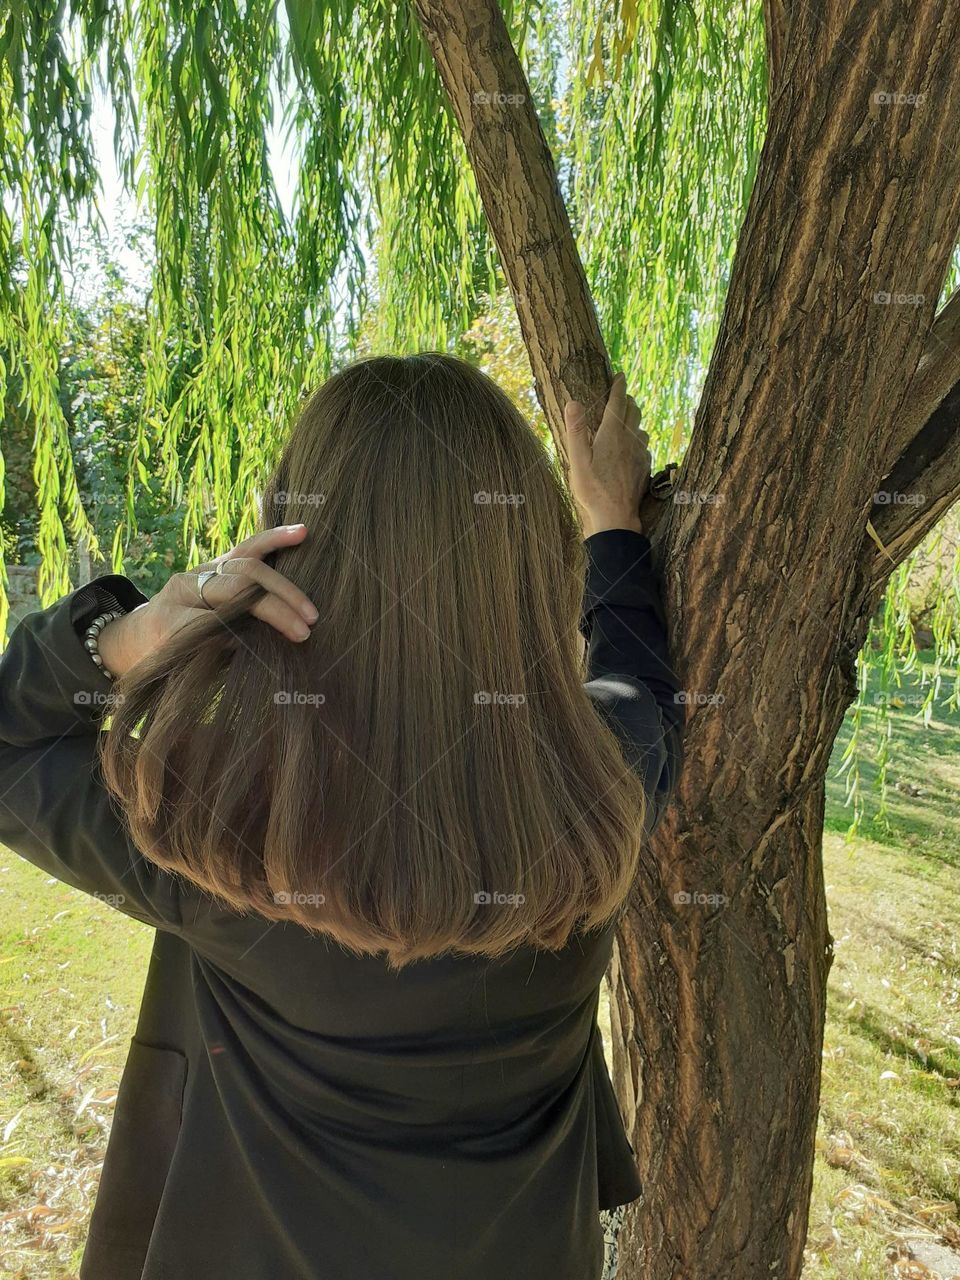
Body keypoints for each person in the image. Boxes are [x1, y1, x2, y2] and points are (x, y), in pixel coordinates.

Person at [0, 354, 683, 1280]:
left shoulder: (221, 830)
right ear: (527, 565)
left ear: (291, 557)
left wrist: (132, 635)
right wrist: (612, 527)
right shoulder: (600, 788)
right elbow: (639, 680)